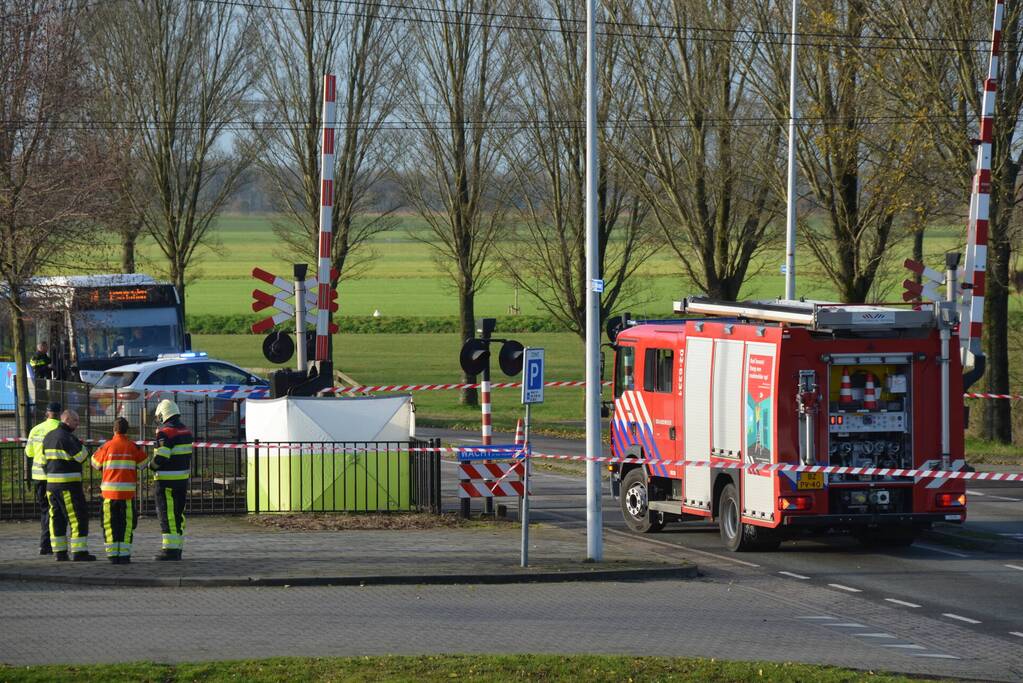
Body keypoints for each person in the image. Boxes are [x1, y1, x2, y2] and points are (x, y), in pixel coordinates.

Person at [90, 418, 148, 564]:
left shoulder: (106, 446)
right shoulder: (133, 446)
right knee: (126, 525)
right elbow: (144, 463)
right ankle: (124, 555)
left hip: (108, 495)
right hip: (127, 495)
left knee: (109, 525)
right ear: (127, 430)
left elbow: (94, 463)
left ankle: (112, 555)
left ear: (113, 429)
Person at [42, 409, 95, 561]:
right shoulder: (67, 437)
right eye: (75, 421)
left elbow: (43, 462)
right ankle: (79, 552)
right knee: (77, 517)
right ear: (67, 420)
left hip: (51, 486)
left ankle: (60, 552)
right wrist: (82, 445)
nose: (78, 424)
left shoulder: (48, 436)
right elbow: (82, 457)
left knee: (56, 518)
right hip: (68, 486)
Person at [151, 399, 192, 561]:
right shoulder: (186, 431)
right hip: (182, 479)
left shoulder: (165, 433)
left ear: (163, 415)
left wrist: (151, 466)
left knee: (167, 514)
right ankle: (178, 546)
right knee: (178, 513)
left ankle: (170, 549)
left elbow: (162, 456)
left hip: (166, 481)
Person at [24, 402, 62, 555]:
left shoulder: (35, 429)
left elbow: (29, 453)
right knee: (56, 511)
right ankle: (52, 543)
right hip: (55, 476)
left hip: (38, 477)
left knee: (45, 510)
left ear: (47, 413)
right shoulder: (61, 428)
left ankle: (44, 545)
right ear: (59, 414)